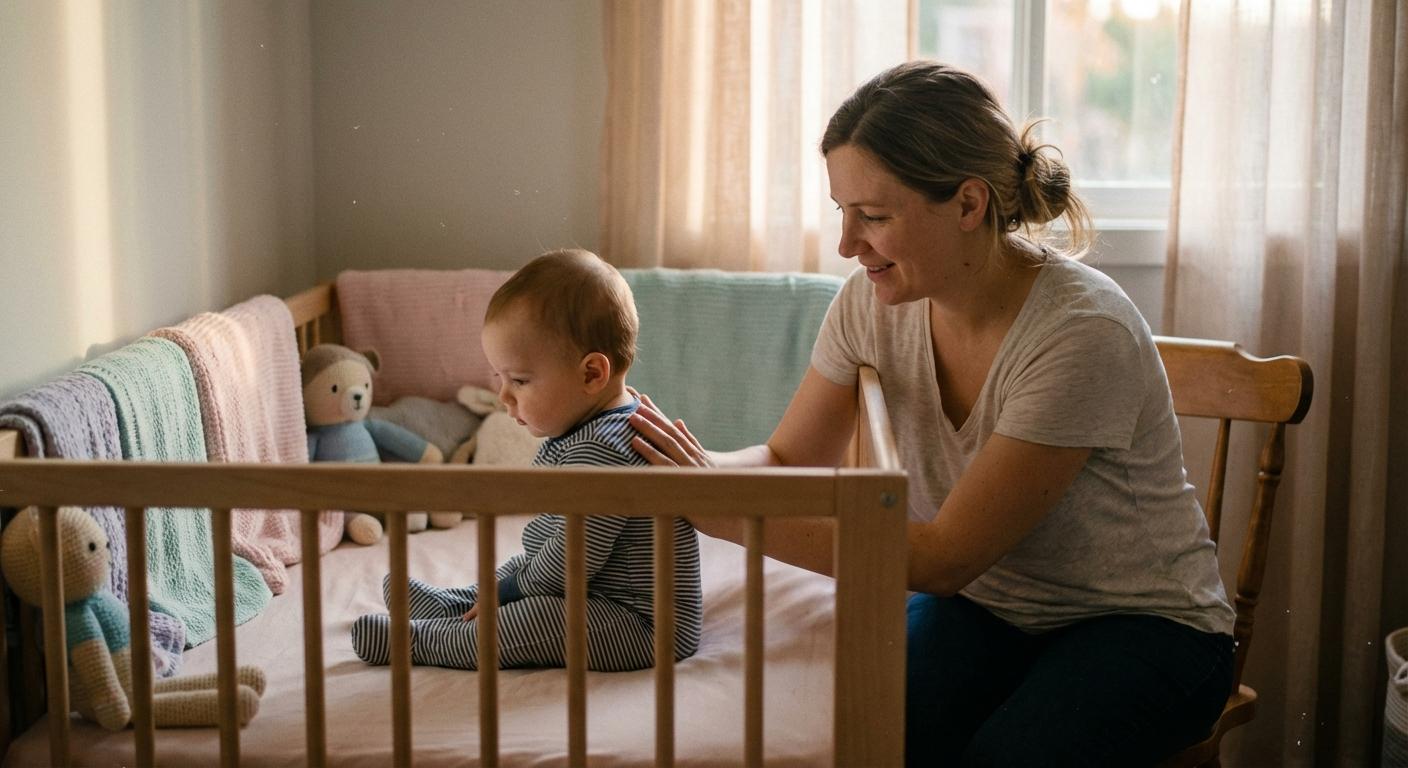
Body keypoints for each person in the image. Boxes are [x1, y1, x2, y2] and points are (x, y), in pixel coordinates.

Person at [628, 61, 1234, 765]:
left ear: (969, 204)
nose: (847, 245)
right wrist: (683, 469)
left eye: (874, 217)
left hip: (1144, 624)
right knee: (867, 734)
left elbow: (944, 559)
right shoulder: (870, 303)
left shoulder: (1081, 331)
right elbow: (790, 459)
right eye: (842, 212)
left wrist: (725, 514)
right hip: (991, 605)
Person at [352, 248, 702, 672]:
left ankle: (422, 641)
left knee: (538, 616)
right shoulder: (589, 426)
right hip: (592, 588)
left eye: (519, 380)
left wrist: (513, 590)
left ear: (592, 374)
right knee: (522, 570)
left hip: (641, 624)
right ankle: (456, 605)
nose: (503, 395)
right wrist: (510, 584)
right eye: (500, 378)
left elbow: (568, 564)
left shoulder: (606, 452)